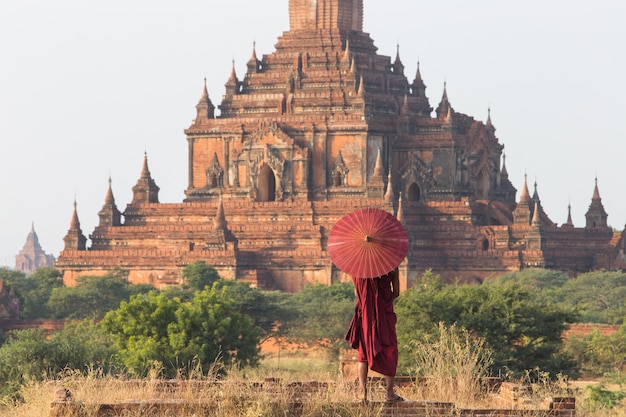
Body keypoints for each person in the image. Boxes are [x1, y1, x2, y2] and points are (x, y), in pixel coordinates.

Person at [345, 267, 404, 403]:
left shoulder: (358, 268)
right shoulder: (391, 266)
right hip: (385, 313)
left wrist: (370, 301)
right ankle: (389, 393)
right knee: (390, 349)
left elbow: (357, 293)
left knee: (363, 351)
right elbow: (396, 292)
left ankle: (362, 392)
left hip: (364, 314)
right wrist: (382, 300)